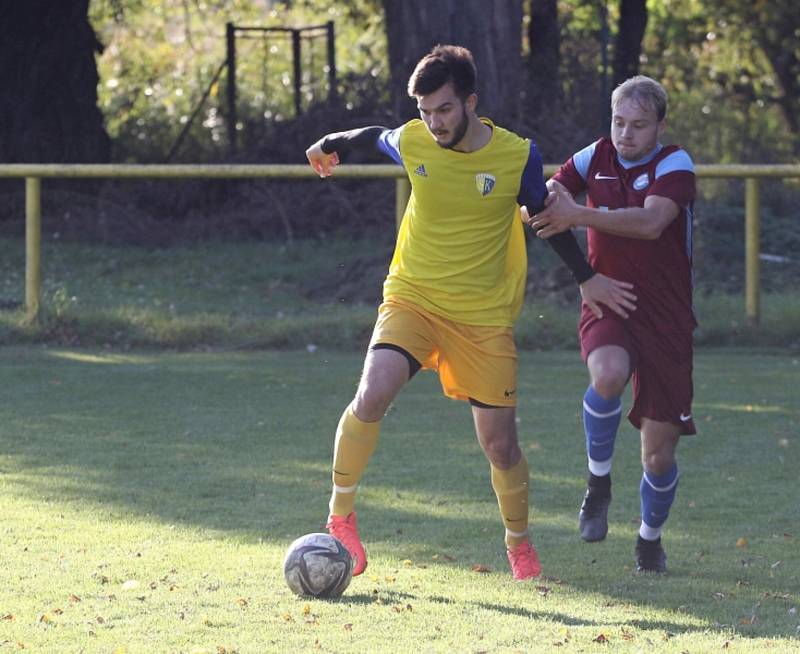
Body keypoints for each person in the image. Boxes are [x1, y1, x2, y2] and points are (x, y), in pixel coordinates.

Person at [305, 44, 636, 581]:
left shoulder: (515, 155)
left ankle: (520, 545)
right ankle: (340, 516)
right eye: (425, 112)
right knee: (372, 392)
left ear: (470, 102)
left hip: (482, 318)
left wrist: (587, 277)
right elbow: (370, 136)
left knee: (501, 446)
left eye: (444, 110)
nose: (433, 123)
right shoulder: (413, 139)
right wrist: (325, 144)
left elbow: (542, 217)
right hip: (413, 295)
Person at [525, 75, 696, 573]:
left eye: (639, 125)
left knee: (657, 457)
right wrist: (541, 201)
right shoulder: (593, 155)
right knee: (607, 374)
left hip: (666, 318)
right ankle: (598, 483)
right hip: (608, 300)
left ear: (661, 126)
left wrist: (576, 215)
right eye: (619, 122)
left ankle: (649, 539)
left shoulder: (674, 163)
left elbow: (650, 222)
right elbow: (546, 196)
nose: (626, 134)